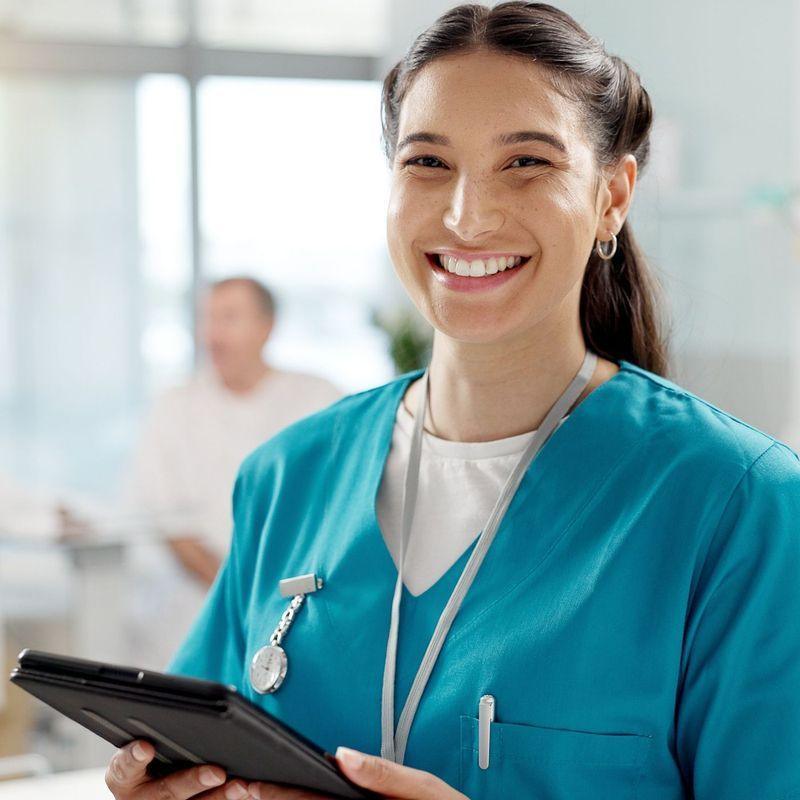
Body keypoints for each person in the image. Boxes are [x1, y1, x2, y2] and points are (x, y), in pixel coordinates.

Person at [106, 4, 800, 799]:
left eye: (526, 163)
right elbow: (200, 743)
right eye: (428, 162)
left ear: (613, 196)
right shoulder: (287, 477)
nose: (467, 216)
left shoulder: (738, 506)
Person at [124, 276, 342, 668]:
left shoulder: (319, 400)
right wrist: (240, 595)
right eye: (207, 319)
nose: (213, 333)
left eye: (229, 318)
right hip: (190, 614)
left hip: (295, 610)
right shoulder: (174, 408)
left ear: (266, 326)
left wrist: (274, 598)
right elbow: (172, 524)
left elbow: (337, 509)